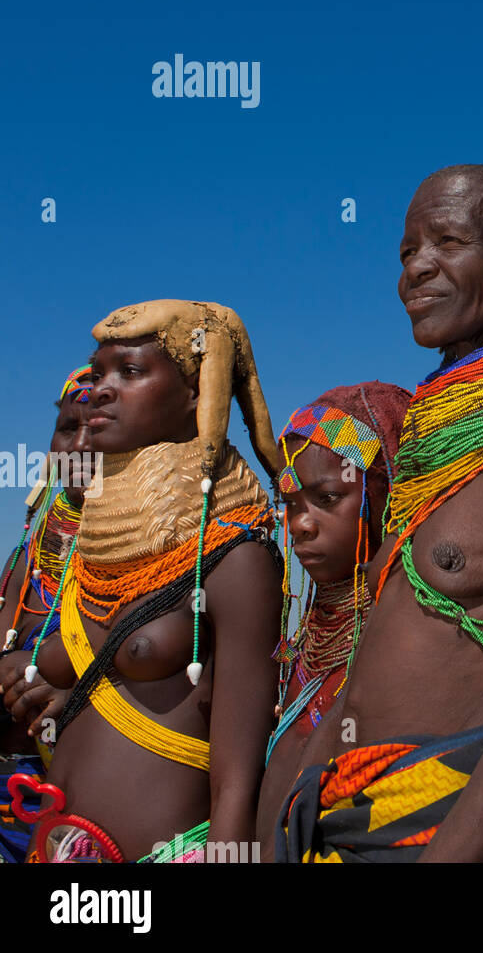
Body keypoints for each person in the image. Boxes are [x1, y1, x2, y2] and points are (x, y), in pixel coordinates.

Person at [278, 166, 483, 862]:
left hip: (460, 828)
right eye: (406, 252)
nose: (415, 270)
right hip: (343, 820)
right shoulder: (432, 444)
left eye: (448, 242)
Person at [11, 300, 282, 862]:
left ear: (194, 394)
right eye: (100, 371)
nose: (101, 390)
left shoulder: (236, 557)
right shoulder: (91, 551)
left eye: (130, 373)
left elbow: (237, 776)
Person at [255, 380, 409, 856]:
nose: (300, 523)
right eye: (292, 504)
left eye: (326, 499)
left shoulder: (406, 631)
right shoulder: (302, 641)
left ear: (389, 492)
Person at [0, 366, 94, 862]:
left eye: (97, 430)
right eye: (66, 428)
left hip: (92, 799)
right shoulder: (29, 549)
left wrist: (75, 696)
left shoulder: (160, 558)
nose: (78, 447)